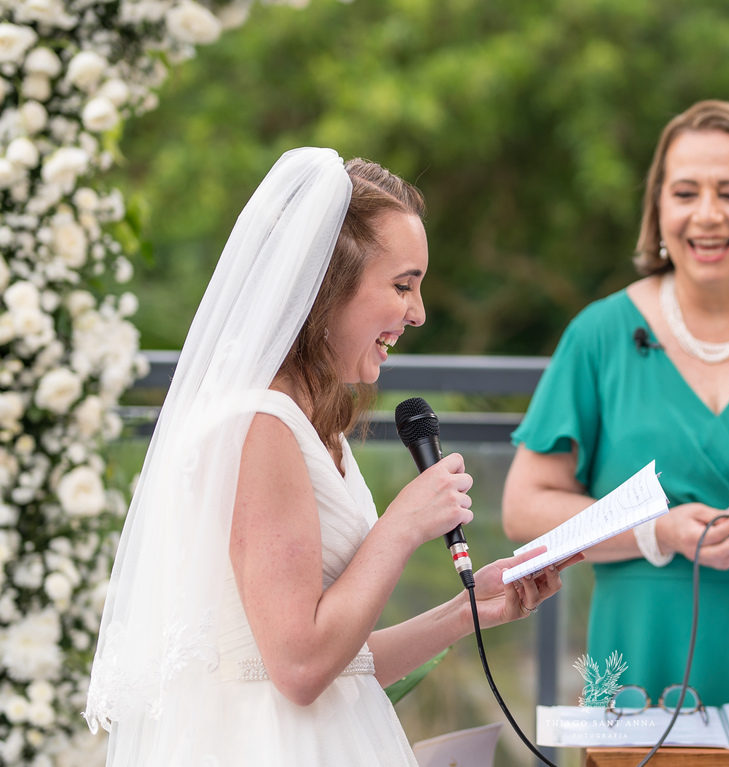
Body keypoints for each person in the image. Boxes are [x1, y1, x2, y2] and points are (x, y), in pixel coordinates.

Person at [85, 148, 578, 766]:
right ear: (326, 285)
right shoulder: (261, 424)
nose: (418, 313)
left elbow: (344, 667)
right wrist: (402, 526)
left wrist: (469, 610)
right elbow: (299, 668)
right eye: (402, 285)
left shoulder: (313, 424)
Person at [502, 100, 729, 706]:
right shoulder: (598, 336)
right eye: (685, 193)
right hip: (637, 666)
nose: (707, 215)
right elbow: (523, 510)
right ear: (658, 210)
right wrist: (656, 530)